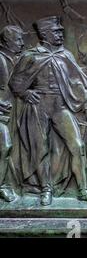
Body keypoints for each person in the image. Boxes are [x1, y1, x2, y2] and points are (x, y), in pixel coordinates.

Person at [9, 16, 87, 206]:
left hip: (60, 106)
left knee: (78, 145)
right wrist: (25, 93)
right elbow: (15, 81)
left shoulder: (65, 55)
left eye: (61, 31)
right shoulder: (30, 56)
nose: (61, 34)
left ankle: (83, 189)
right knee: (41, 149)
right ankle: (46, 189)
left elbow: (77, 80)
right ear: (44, 34)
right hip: (37, 107)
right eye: (56, 32)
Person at [0, 25, 25, 202]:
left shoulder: (15, 58)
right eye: (18, 40)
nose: (22, 43)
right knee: (5, 146)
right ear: (7, 42)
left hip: (13, 111)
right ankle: (2, 186)